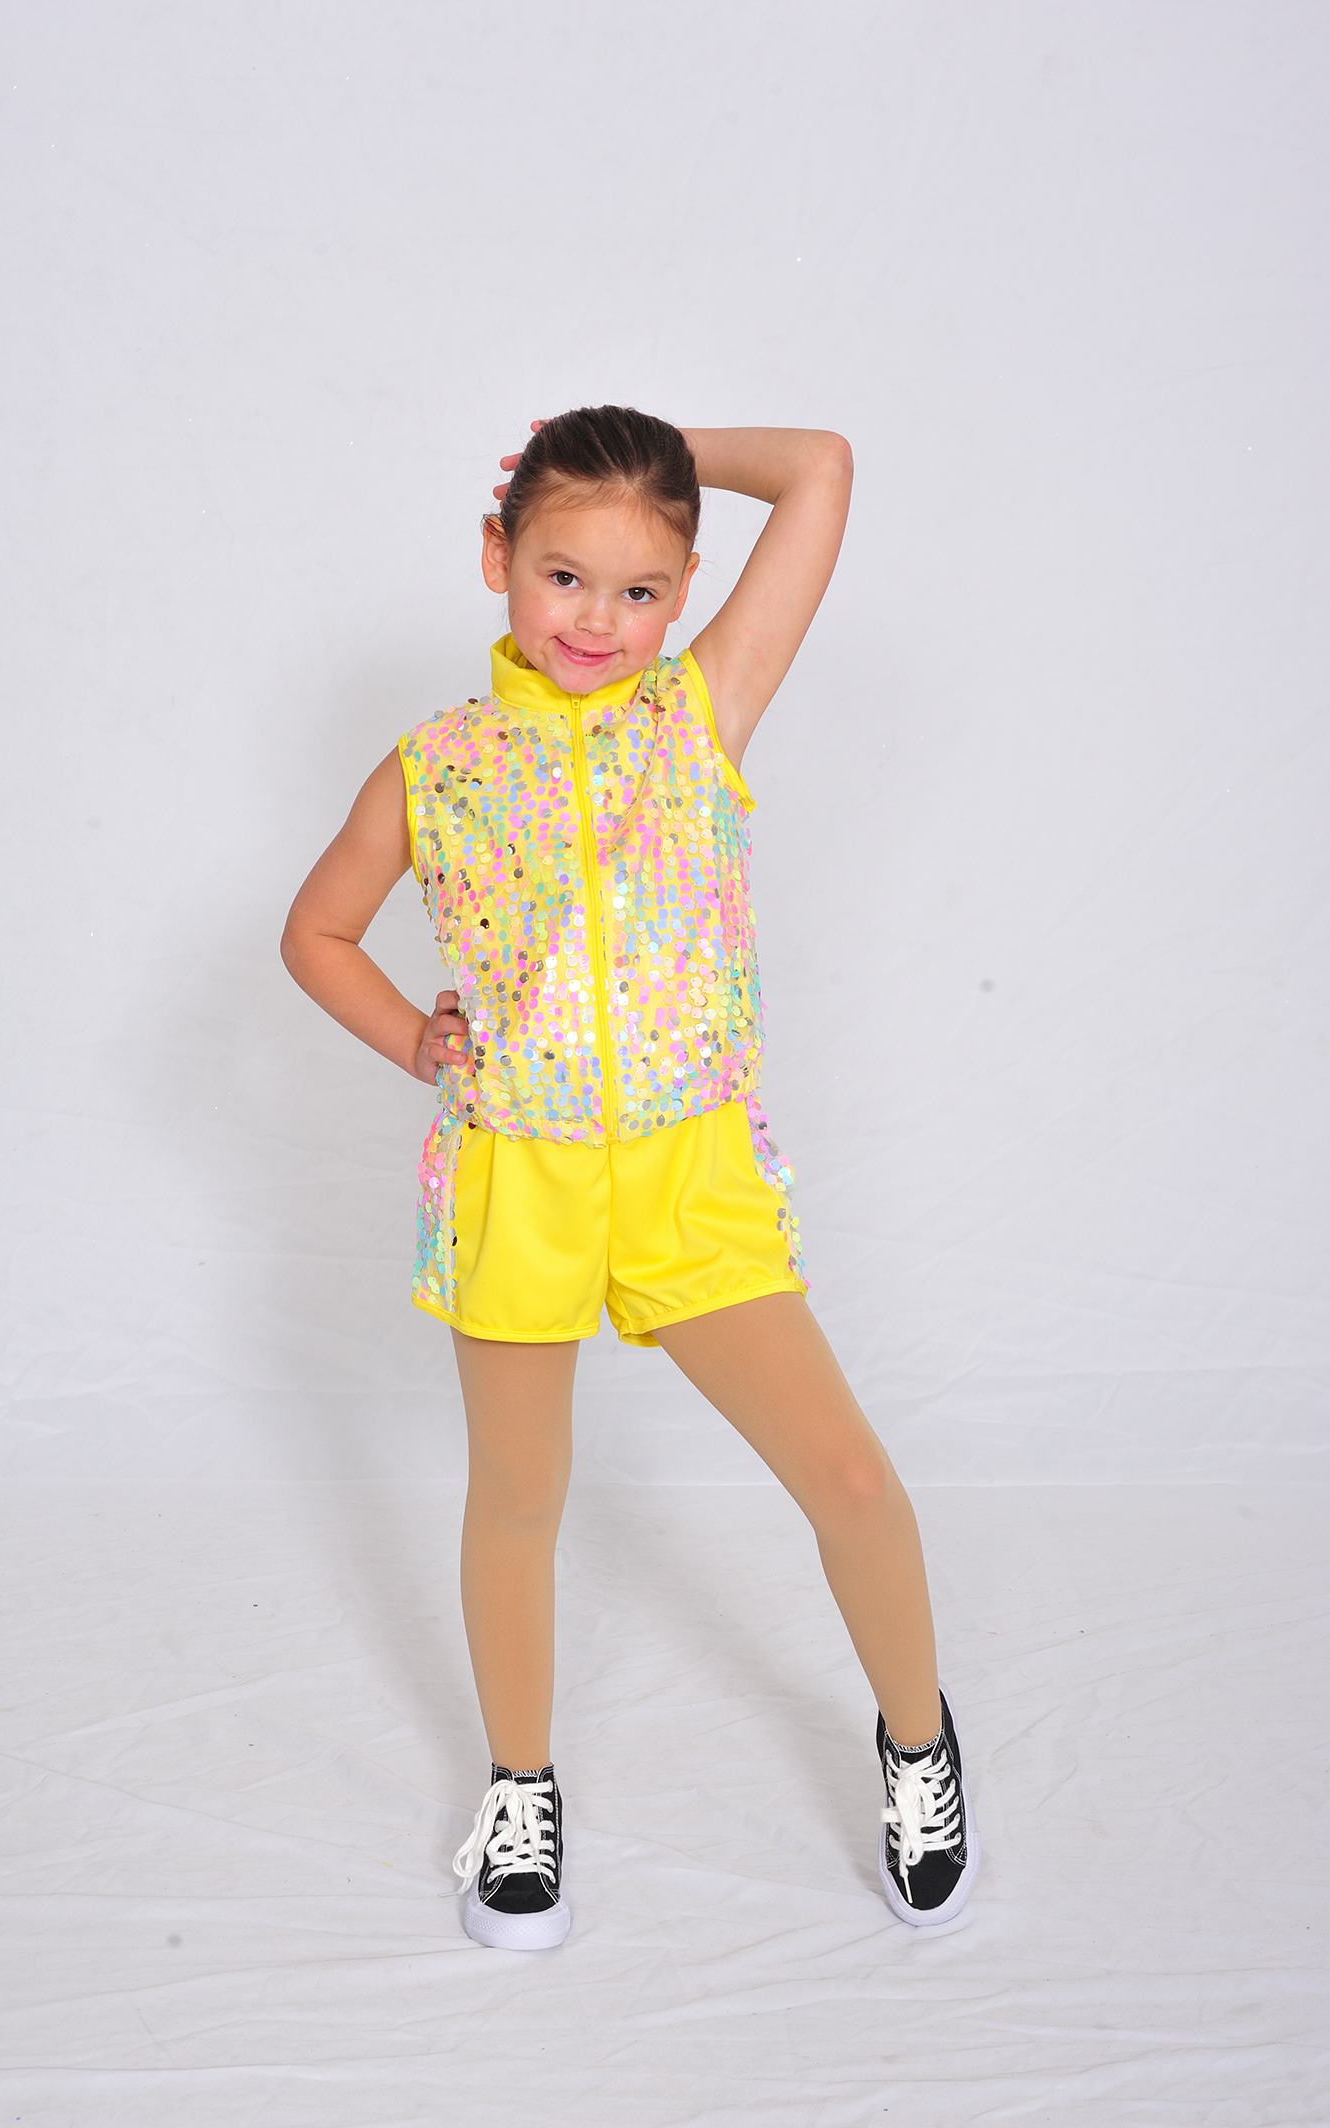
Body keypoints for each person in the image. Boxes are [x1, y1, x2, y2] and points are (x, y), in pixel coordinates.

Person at [281, 407, 979, 1949]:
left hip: (688, 1174)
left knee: (849, 1478)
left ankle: (920, 1741)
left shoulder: (699, 713)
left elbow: (822, 467)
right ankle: (518, 1787)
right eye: (564, 575)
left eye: (640, 588)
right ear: (497, 559)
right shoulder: (435, 767)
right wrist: (417, 1042)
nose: (598, 618)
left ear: (685, 593)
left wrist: (659, 437)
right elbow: (313, 933)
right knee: (520, 1499)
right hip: (517, 1182)